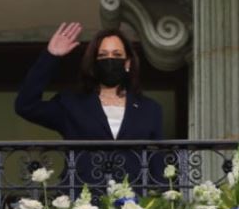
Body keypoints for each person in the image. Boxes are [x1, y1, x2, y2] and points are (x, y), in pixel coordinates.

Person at [15, 23, 164, 189]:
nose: (110, 60)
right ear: (94, 63)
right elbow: (26, 105)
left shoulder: (150, 109)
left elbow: (157, 163)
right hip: (83, 199)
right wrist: (51, 56)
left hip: (134, 200)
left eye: (117, 54)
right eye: (103, 55)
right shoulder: (71, 104)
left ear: (127, 62)